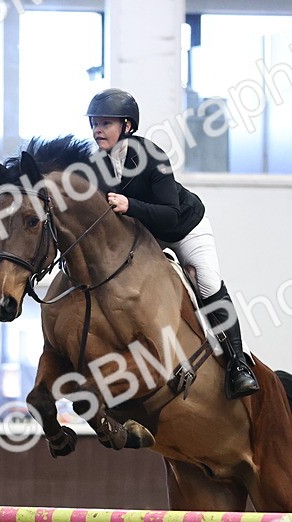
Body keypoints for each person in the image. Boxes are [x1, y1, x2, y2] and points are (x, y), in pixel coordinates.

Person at [86, 88, 259, 400]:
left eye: (106, 123)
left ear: (127, 126)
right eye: (95, 123)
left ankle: (238, 364)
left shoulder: (151, 156)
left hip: (185, 227)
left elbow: (170, 214)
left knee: (207, 281)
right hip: (147, 238)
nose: (98, 129)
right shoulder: (96, 166)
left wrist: (130, 205)